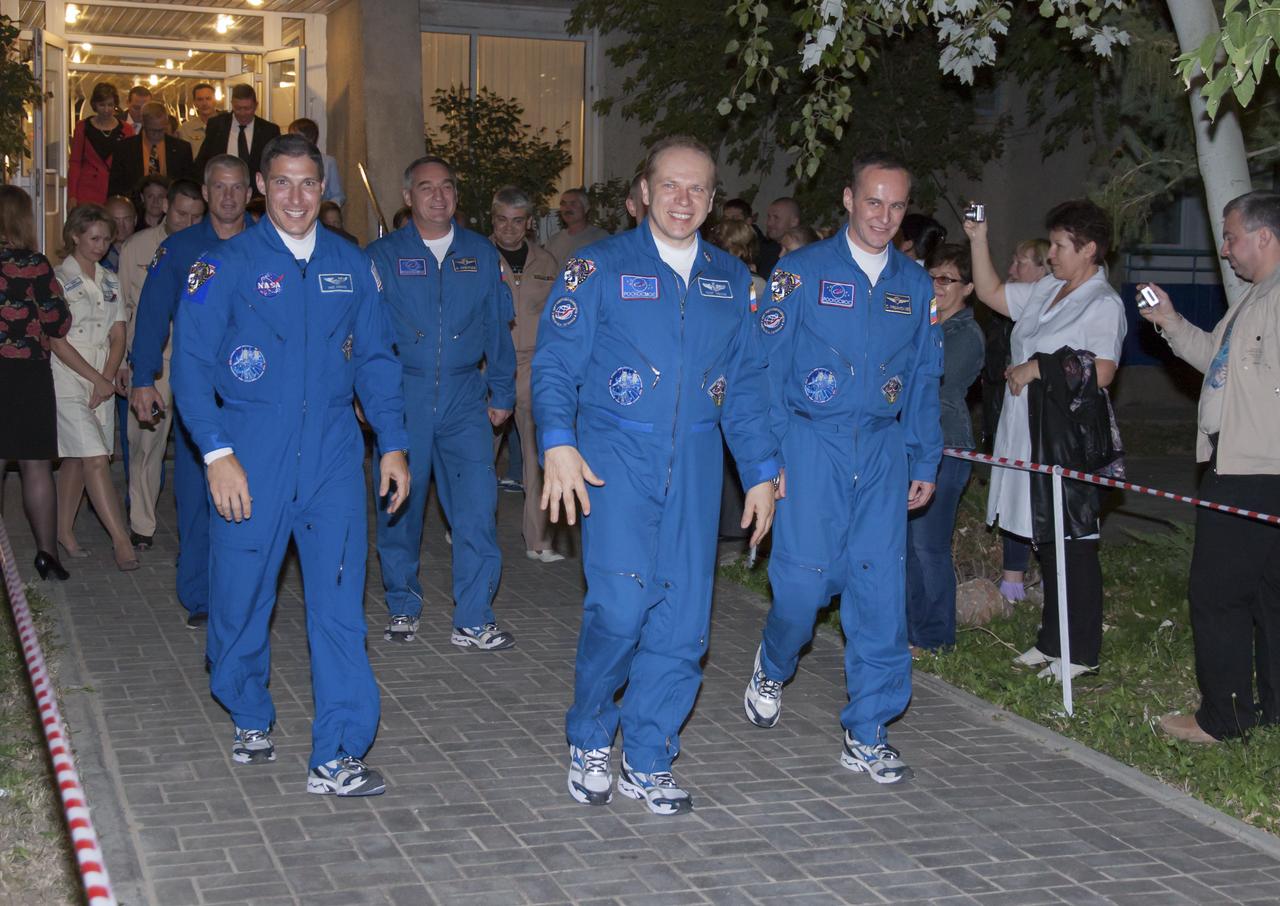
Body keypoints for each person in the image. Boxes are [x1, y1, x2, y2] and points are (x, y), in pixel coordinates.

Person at [535, 135, 780, 815]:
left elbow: (747, 385)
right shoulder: (598, 266)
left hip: (697, 469)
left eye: (697, 188)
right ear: (643, 191)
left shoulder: (730, 281)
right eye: (670, 185)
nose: (683, 199)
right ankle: (590, 734)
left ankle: (648, 753)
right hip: (614, 465)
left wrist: (760, 471)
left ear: (712, 198)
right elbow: (555, 362)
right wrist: (557, 442)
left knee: (682, 625)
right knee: (619, 609)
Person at [171, 133, 410, 795]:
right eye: (282, 183)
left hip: (334, 459)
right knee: (240, 598)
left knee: (339, 608)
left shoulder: (351, 264)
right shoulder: (224, 267)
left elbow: (376, 359)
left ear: (324, 188)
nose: (297, 197)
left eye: (308, 183)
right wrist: (216, 454)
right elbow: (189, 366)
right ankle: (248, 708)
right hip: (249, 456)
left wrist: (391, 441)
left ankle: (338, 751)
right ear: (258, 186)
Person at [744, 151, 941, 785]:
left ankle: (869, 728)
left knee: (879, 593)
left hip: (883, 453)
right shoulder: (797, 274)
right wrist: (767, 460)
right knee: (801, 590)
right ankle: (774, 664)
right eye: (873, 201)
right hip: (810, 446)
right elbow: (764, 371)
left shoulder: (914, 285)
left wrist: (924, 454)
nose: (884, 216)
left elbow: (924, 378)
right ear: (849, 201)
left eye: (897, 204)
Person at [1139, 191, 1280, 744]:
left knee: (1217, 593)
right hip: (1243, 463)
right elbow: (1215, 363)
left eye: (1231, 236)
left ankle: (1223, 718)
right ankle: (1271, 708)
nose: (1224, 249)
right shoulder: (1253, 297)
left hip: (1255, 469)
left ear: (1264, 236)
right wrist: (1170, 321)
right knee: (1268, 592)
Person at [965, 201, 1126, 682]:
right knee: (1046, 540)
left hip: (1066, 441)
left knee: (1073, 542)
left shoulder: (1103, 304)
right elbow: (992, 293)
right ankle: (1052, 641)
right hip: (1026, 435)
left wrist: (1040, 367)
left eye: (1059, 245)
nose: (1051, 253)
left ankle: (1081, 652)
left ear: (1089, 249)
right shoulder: (1048, 290)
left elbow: (1102, 370)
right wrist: (978, 239)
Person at [367, 156, 517, 647]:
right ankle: (403, 603)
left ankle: (474, 616)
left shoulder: (480, 254)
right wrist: (365, 397)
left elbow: (498, 326)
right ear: (408, 197)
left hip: (464, 399)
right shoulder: (383, 256)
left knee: (477, 506)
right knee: (400, 510)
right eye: (426, 188)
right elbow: (362, 335)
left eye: (447, 187)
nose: (438, 196)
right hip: (402, 397)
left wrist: (502, 388)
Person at [129, 155, 253, 628]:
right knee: (198, 496)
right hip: (199, 393)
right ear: (204, 192)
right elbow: (152, 314)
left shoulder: (270, 244)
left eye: (236, 188)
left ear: (250, 192)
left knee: (253, 493)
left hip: (258, 396)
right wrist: (143, 378)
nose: (227, 197)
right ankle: (200, 595)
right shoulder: (179, 249)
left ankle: (241, 590)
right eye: (218, 188)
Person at [905, 243, 985, 653]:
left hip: (946, 447)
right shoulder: (925, 324)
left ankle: (936, 638)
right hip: (912, 445)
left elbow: (936, 383)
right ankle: (910, 632)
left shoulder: (965, 334)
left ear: (968, 287)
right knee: (906, 545)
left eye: (946, 279)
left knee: (928, 545)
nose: (936, 285)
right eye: (931, 276)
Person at [119, 178, 206, 551]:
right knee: (146, 445)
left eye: (195, 216)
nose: (187, 222)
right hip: (153, 364)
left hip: (194, 360)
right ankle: (142, 524)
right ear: (165, 208)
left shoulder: (209, 247)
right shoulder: (137, 247)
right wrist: (126, 362)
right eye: (181, 214)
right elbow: (122, 310)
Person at [0, 186, 81, 581]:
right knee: (35, 466)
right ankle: (47, 555)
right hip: (28, 373)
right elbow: (57, 322)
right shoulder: (34, 264)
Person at [51, 205, 137, 571]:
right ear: (74, 236)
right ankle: (121, 540)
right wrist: (97, 378)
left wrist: (109, 373)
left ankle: (62, 531)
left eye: (107, 239)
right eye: (94, 238)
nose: (102, 245)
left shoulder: (110, 280)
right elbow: (56, 340)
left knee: (76, 458)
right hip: (68, 376)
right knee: (96, 459)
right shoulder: (55, 279)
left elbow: (118, 334)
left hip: (102, 371)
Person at [489, 185, 562, 562]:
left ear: (529, 223)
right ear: (493, 219)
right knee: (480, 458)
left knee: (538, 454)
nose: (509, 229)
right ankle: (471, 531)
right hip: (488, 367)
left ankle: (539, 540)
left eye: (517, 222)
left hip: (535, 367)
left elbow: (561, 318)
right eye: (501, 220)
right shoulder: (476, 257)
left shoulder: (548, 263)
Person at [986, 238, 1051, 603]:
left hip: (1046, 419)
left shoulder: (1071, 302)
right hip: (1013, 408)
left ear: (1043, 268)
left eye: (1021, 262)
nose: (1013, 270)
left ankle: (1049, 576)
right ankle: (1012, 579)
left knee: (1039, 494)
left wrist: (1035, 370)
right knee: (1013, 488)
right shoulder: (1031, 300)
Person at [195, 84, 282, 193]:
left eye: (247, 108)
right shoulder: (216, 125)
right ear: (232, 104)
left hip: (257, 197)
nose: (242, 113)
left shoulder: (269, 131)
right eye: (238, 108)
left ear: (256, 105)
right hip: (221, 192)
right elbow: (203, 161)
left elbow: (275, 167)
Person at [107, 102, 195, 199]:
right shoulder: (125, 148)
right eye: (152, 130)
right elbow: (116, 186)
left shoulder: (182, 149)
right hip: (135, 205)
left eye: (161, 130)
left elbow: (187, 185)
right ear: (143, 123)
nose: (157, 134)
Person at [69, 83, 134, 209]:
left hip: (116, 189)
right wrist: (72, 195)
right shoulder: (82, 127)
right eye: (102, 105)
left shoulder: (127, 129)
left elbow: (130, 164)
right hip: (87, 191)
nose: (106, 109)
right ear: (94, 105)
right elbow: (75, 163)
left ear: (115, 105)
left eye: (110, 105)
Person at [287, 118, 345, 206]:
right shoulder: (286, 161)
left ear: (310, 139)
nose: (290, 141)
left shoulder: (328, 162)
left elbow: (338, 196)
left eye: (294, 137)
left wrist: (325, 209)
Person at [546, 188, 609, 263]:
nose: (567, 208)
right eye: (563, 204)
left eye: (573, 204)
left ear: (586, 208)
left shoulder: (601, 238)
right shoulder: (553, 241)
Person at [761, 197, 801, 276]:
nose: (769, 223)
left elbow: (780, 288)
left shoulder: (798, 259)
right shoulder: (764, 248)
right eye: (769, 217)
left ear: (793, 222)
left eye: (776, 218)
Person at [177, 83, 218, 158]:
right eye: (200, 99)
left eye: (208, 98)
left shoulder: (226, 124)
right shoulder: (186, 129)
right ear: (194, 103)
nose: (204, 103)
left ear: (215, 100)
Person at [101, 195, 137, 273]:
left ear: (135, 220)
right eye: (115, 220)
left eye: (126, 219)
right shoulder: (96, 254)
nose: (121, 226)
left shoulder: (145, 251)